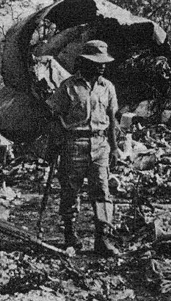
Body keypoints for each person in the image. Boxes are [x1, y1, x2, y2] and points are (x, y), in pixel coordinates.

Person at [46, 40, 122, 257]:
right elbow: (55, 117)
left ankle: (102, 239)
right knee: (70, 190)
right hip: (74, 144)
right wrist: (54, 145)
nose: (102, 66)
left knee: (102, 191)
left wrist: (115, 148)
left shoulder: (107, 87)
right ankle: (70, 236)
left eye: (104, 63)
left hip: (100, 145)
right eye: (97, 62)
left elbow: (112, 119)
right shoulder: (69, 86)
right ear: (85, 62)